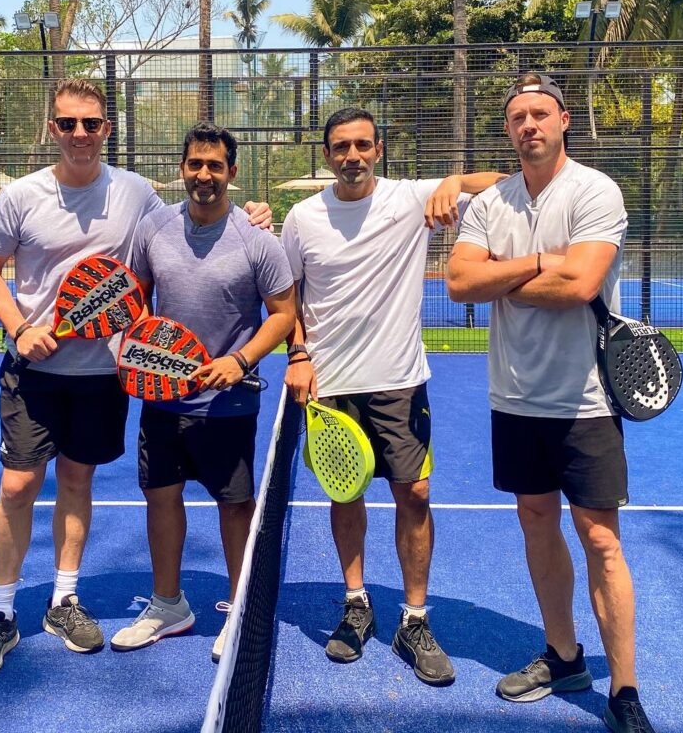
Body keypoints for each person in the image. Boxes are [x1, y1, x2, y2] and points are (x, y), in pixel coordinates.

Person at [0, 79, 273, 677]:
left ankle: (64, 599)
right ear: (52, 128)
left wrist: (252, 209)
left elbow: (197, 216)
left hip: (104, 374)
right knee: (17, 486)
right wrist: (20, 327)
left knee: (77, 481)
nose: (79, 133)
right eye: (67, 123)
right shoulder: (20, 197)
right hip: (34, 371)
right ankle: (1, 612)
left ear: (106, 130)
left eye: (90, 124)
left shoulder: (134, 194)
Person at [446, 73, 655, 733]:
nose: (529, 125)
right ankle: (564, 655)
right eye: (517, 117)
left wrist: (502, 277)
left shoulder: (595, 191)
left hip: (587, 401)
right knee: (536, 521)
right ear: (508, 129)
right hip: (513, 399)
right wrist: (542, 263)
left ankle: (624, 691)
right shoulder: (491, 204)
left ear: (564, 119)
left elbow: (581, 283)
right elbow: (459, 283)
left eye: (540, 113)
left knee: (601, 540)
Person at [280, 106, 504, 687]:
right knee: (344, 492)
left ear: (378, 149)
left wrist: (454, 181)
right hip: (330, 386)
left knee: (417, 494)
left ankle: (414, 618)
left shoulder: (409, 197)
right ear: (327, 155)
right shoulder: (302, 218)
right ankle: (356, 602)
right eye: (340, 147)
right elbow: (286, 299)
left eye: (361, 145)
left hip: (400, 380)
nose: (351, 155)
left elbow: (505, 182)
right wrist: (298, 355)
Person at [109, 122, 295, 662]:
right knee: (160, 496)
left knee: (235, 505)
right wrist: (147, 349)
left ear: (232, 173)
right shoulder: (154, 229)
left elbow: (284, 315)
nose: (204, 175)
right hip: (161, 399)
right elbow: (136, 297)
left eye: (215, 166)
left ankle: (237, 609)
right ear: (182, 169)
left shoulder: (258, 242)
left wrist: (240, 360)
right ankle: (169, 604)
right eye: (196, 164)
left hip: (229, 401)